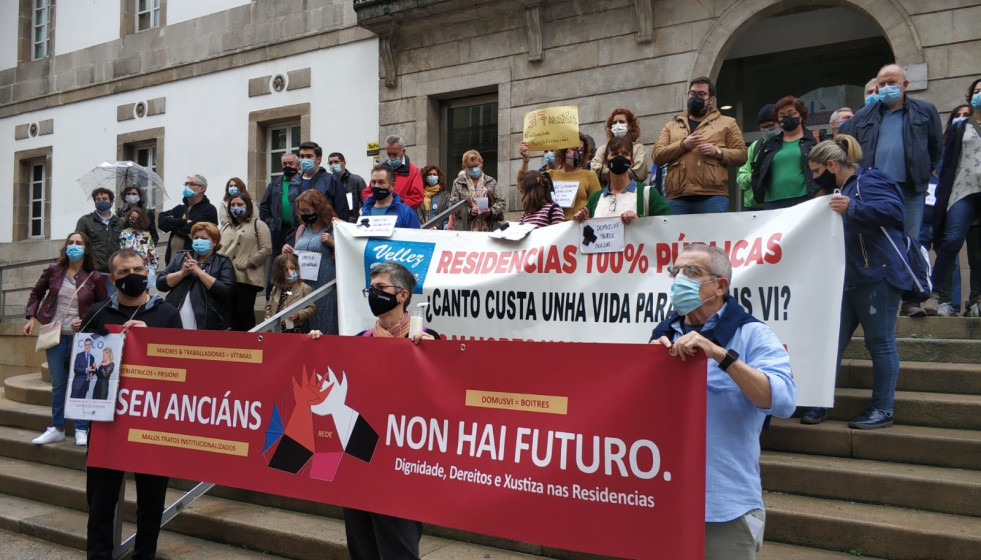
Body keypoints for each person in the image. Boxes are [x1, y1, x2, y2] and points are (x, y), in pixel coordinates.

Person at [649, 244, 795, 559]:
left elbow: (783, 401)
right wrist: (649, 366)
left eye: (692, 272)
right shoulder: (662, 335)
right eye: (676, 272)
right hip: (663, 499)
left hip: (724, 507)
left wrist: (720, 355)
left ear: (721, 286)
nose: (679, 280)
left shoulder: (753, 335)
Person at [309, 261, 436, 560]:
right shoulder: (358, 342)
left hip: (402, 468)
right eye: (371, 288)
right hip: (358, 462)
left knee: (399, 548)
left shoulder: (430, 340)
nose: (373, 293)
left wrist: (435, 358)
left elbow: (443, 399)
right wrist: (315, 349)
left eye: (381, 288)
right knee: (362, 547)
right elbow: (328, 390)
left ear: (402, 295)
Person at [801, 135, 913, 429]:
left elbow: (897, 212)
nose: (814, 178)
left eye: (815, 171)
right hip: (850, 278)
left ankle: (882, 409)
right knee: (831, 344)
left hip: (877, 275)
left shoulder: (870, 179)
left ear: (831, 164)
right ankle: (819, 401)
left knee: (880, 343)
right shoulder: (843, 189)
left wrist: (852, 208)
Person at [82, 248, 182, 560]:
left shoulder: (167, 314)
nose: (133, 276)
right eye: (124, 273)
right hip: (107, 424)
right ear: (112, 279)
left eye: (138, 269)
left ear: (148, 270)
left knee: (151, 505)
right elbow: (82, 370)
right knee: (100, 504)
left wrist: (150, 339)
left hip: (151, 424)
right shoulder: (98, 314)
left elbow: (183, 368)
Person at [839, 63, 943, 241]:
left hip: (911, 187)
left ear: (905, 84)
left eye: (892, 82)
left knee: (909, 239)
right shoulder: (863, 115)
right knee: (878, 239)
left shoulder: (925, 111)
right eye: (882, 84)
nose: (886, 87)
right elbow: (849, 148)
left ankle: (909, 269)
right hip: (874, 189)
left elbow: (936, 147)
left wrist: (923, 171)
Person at [24, 232, 107, 446]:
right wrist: (31, 317)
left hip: (81, 337)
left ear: (86, 248)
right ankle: (58, 427)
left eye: (79, 243)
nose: (74, 246)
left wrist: (87, 319)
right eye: (71, 242)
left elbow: (103, 305)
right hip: (55, 335)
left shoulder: (95, 277)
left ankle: (81, 428)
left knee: (80, 382)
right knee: (59, 383)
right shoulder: (54, 270)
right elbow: (36, 293)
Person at [916, 79, 981, 316]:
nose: (979, 94)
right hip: (962, 190)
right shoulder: (960, 127)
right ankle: (936, 295)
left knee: (977, 252)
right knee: (952, 240)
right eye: (977, 91)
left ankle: (975, 301)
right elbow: (948, 163)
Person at [651, 76, 748, 214]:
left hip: (713, 196)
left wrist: (718, 152)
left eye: (701, 94)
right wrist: (683, 145)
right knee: (677, 236)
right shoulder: (671, 126)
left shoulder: (728, 123)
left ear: (711, 99)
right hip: (677, 197)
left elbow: (742, 155)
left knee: (713, 235)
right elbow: (657, 156)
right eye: (692, 93)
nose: (695, 97)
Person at [156, 222, 235, 330]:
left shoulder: (223, 262)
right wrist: (182, 273)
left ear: (214, 242)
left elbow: (226, 291)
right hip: (175, 319)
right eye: (196, 238)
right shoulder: (181, 257)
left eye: (203, 238)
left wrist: (200, 272)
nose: (198, 241)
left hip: (206, 323)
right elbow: (161, 284)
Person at [575, 136, 670, 223]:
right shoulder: (594, 198)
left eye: (625, 154)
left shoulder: (648, 193)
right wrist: (582, 221)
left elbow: (667, 223)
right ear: (606, 163)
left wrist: (639, 222)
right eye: (614, 154)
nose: (619, 157)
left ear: (631, 162)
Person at [283, 190, 339, 335]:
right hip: (303, 286)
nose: (304, 213)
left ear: (319, 208)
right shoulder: (302, 229)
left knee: (324, 322)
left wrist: (333, 243)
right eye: (301, 210)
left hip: (324, 285)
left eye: (307, 210)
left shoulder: (333, 227)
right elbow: (296, 254)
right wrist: (288, 252)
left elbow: (346, 255)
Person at [750, 96, 821, 208]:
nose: (787, 118)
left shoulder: (815, 139)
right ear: (777, 121)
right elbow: (757, 172)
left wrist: (821, 191)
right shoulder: (769, 144)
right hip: (773, 202)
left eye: (791, 114)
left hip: (807, 200)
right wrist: (759, 195)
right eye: (782, 115)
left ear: (801, 116)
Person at [219, 190, 272, 331]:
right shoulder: (226, 226)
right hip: (226, 277)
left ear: (247, 206)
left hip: (246, 278)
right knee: (229, 316)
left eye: (240, 204)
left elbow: (266, 249)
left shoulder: (258, 224)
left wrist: (249, 262)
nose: (236, 207)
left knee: (244, 314)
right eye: (233, 204)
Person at [518, 133, 601, 220]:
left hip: (578, 228)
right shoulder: (549, 175)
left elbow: (597, 205)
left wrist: (584, 215)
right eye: (574, 149)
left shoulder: (589, 176)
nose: (578, 153)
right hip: (553, 228)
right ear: (563, 150)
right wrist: (525, 161)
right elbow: (524, 185)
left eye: (581, 150)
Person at [158, 174, 218, 264]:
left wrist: (173, 224)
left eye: (192, 184)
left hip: (194, 261)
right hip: (173, 260)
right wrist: (183, 221)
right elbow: (161, 222)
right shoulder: (180, 208)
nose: (187, 187)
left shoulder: (209, 209)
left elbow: (192, 229)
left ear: (202, 188)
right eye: (186, 184)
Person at [75, 187, 124, 293]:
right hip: (93, 271)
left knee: (111, 303)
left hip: (113, 272)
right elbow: (78, 243)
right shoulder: (85, 221)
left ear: (111, 202)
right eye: (98, 199)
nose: (101, 201)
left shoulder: (120, 223)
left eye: (105, 199)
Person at [447, 149, 505, 231]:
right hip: (464, 229)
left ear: (481, 163)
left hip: (488, 228)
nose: (473, 169)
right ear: (465, 167)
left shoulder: (491, 181)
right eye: (470, 167)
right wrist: (469, 212)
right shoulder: (458, 182)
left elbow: (501, 201)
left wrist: (490, 211)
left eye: (475, 166)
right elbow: (454, 205)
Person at [294, 141, 352, 222]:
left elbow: (342, 211)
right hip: (301, 232)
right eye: (302, 156)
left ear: (318, 159)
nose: (305, 160)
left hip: (325, 231)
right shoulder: (295, 182)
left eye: (309, 156)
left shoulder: (331, 180)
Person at [361, 135, 424, 210]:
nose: (391, 157)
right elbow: (366, 193)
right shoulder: (381, 169)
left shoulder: (413, 171)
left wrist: (397, 203)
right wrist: (377, 199)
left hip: (402, 215)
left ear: (403, 151)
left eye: (395, 154)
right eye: (389, 154)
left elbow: (417, 198)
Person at [590, 108, 649, 184]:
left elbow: (639, 173)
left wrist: (609, 170)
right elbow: (595, 169)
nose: (617, 125)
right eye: (614, 123)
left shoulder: (638, 148)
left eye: (621, 122)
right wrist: (623, 169)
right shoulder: (603, 149)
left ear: (630, 126)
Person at [737, 104, 778, 211]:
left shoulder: (787, 145)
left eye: (771, 126)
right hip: (753, 207)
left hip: (779, 203)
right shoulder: (755, 147)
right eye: (763, 127)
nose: (767, 130)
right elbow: (741, 178)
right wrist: (754, 176)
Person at [265, 253, 317, 333]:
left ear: (297, 268)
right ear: (279, 272)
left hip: (295, 330)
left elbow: (313, 309)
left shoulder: (304, 288)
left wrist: (299, 314)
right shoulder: (276, 288)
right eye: (286, 270)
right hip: (277, 329)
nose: (290, 272)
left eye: (292, 268)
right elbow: (268, 306)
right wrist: (268, 320)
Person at [119, 207, 158, 279]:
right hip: (128, 268)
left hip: (143, 269)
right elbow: (121, 250)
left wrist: (153, 268)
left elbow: (152, 253)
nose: (133, 220)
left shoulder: (146, 235)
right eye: (132, 217)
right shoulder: (124, 233)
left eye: (136, 218)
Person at [328, 152, 366, 223]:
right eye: (330, 163)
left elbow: (365, 202)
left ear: (344, 163)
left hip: (354, 222)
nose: (333, 165)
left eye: (336, 162)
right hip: (335, 222)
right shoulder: (328, 182)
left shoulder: (356, 180)